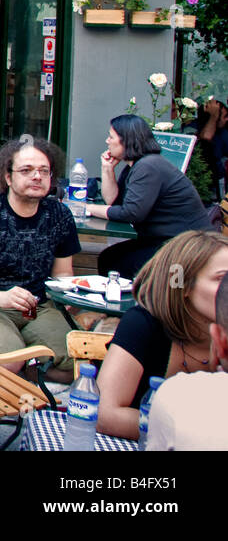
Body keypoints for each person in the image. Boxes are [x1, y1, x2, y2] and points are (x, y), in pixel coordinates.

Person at [0, 137, 79, 382]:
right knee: (8, 364)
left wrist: (66, 294)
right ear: (8, 177)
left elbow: (63, 272)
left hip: (38, 306)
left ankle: (32, 374)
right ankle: (18, 371)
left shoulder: (60, 215)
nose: (37, 176)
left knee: (78, 361)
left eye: (43, 171)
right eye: (26, 170)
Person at [97, 229, 228, 440]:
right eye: (222, 279)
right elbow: (105, 415)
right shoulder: (143, 324)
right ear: (183, 285)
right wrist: (191, 433)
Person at [84, 114, 207, 278]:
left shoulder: (148, 166)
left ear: (127, 140)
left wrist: (90, 208)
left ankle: (136, 303)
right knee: (110, 258)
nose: (107, 141)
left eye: (111, 136)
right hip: (168, 241)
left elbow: (131, 213)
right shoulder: (137, 165)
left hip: (186, 247)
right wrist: (107, 169)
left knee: (116, 263)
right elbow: (113, 202)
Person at [147, 273, 228, 449]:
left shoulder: (179, 395)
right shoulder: (146, 324)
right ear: (186, 289)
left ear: (218, 340)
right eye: (219, 278)